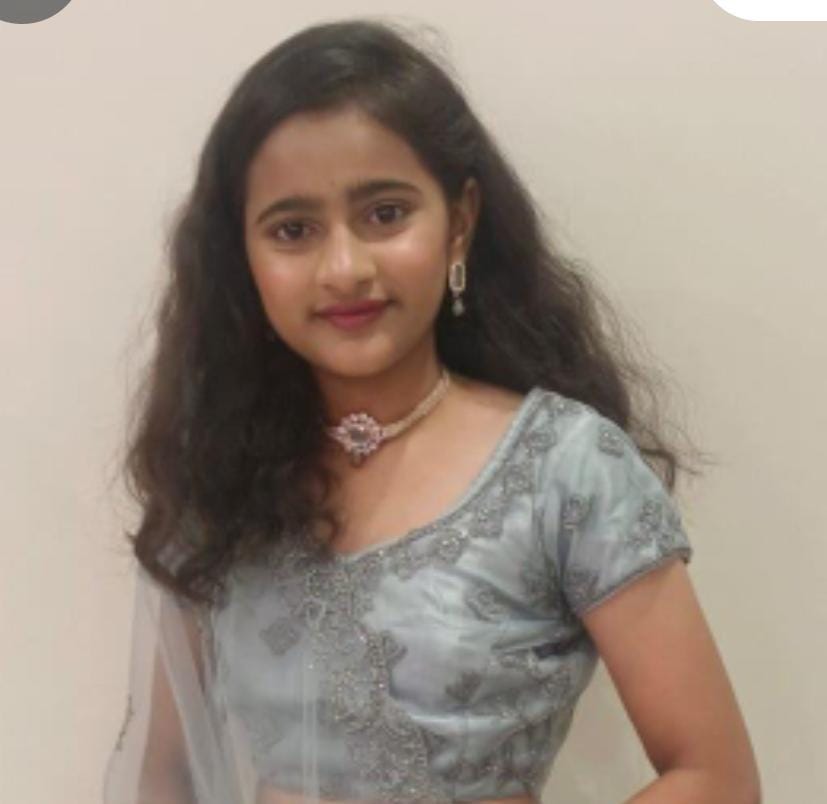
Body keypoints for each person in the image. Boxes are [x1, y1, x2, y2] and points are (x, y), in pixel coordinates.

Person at [102, 16, 761, 804]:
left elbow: (713, 776)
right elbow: (163, 775)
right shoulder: (218, 477)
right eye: (293, 230)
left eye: (384, 214)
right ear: (242, 257)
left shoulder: (562, 469)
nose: (343, 267)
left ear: (459, 222)